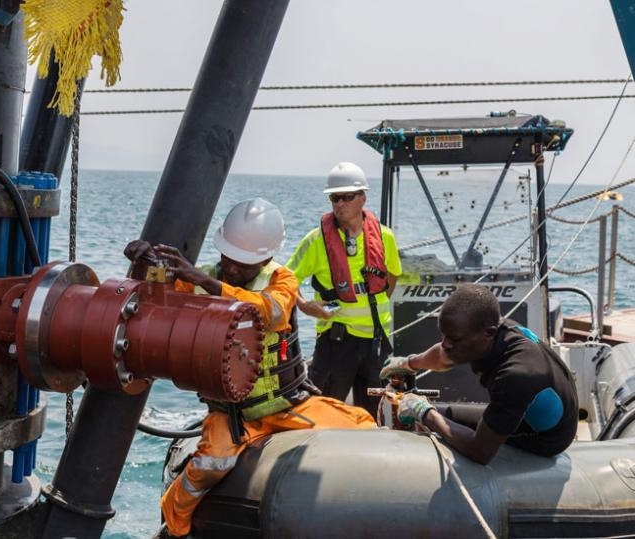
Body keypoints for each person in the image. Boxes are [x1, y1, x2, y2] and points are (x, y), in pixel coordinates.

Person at [126, 198, 377, 538]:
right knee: (209, 466)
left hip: (285, 405)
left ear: (265, 258)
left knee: (364, 426)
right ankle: (174, 528)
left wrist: (209, 284)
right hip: (232, 414)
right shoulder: (201, 280)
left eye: (243, 265)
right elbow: (159, 296)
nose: (232, 269)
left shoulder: (281, 280)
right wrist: (144, 266)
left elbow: (269, 312)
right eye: (228, 259)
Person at [380, 283, 579, 465]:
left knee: (434, 419)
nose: (446, 343)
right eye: (444, 335)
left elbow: (480, 451)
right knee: (440, 414)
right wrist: (409, 363)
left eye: (454, 338)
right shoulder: (495, 330)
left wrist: (424, 413)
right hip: (525, 413)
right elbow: (443, 355)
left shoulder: (516, 375)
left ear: (488, 334)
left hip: (544, 438)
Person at [286, 162, 402, 411]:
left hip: (376, 344)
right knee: (325, 411)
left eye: (347, 197)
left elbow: (392, 277)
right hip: (335, 342)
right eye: (334, 198)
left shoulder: (385, 238)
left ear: (363, 198)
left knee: (371, 413)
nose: (339, 204)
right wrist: (306, 306)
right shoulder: (316, 240)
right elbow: (284, 280)